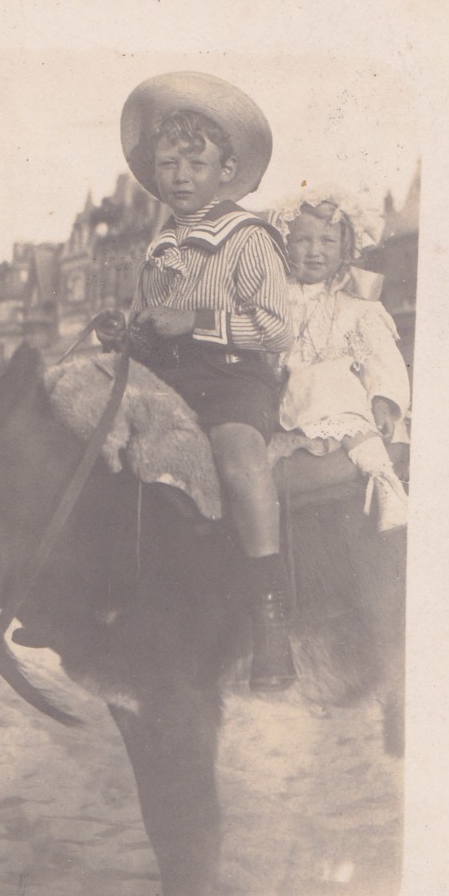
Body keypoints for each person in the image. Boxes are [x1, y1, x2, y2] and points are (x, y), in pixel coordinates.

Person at [118, 71, 296, 693]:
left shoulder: (249, 238)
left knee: (239, 453)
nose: (181, 176)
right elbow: (150, 321)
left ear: (227, 170)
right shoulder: (162, 243)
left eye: (196, 163)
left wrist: (194, 321)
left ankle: (270, 616)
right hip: (164, 379)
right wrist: (133, 332)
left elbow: (276, 330)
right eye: (168, 164)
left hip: (231, 382)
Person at [268, 190, 410, 532]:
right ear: (286, 245)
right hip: (294, 401)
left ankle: (384, 481)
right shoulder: (276, 297)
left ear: (345, 247)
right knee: (309, 380)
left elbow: (380, 358)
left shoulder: (355, 303)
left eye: (328, 241)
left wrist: (382, 401)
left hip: (349, 404)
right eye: (302, 240)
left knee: (333, 378)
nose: (315, 251)